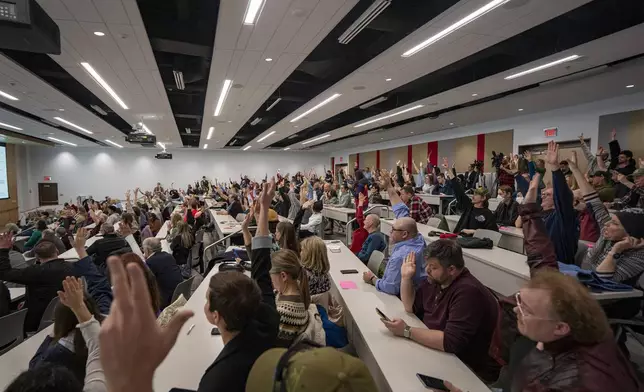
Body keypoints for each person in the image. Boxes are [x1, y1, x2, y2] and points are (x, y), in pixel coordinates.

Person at [198, 179, 281, 392]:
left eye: (207, 300)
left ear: (216, 316)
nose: (205, 304)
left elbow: (261, 265)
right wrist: (264, 207)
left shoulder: (218, 379)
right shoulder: (265, 318)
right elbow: (262, 261)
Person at [382, 241, 500, 382]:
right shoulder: (436, 280)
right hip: (440, 352)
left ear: (451, 269)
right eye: (427, 265)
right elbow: (410, 306)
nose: (427, 270)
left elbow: (450, 342)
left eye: (433, 267)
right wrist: (406, 278)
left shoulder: (468, 292)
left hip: (468, 369)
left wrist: (407, 331)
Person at [5, 277, 105, 392]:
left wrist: (52, 335)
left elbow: (34, 368)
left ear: (60, 321)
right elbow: (97, 343)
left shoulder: (58, 352)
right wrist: (79, 306)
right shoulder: (107, 342)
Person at [566, 153, 644, 284]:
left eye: (614, 224)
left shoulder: (639, 254)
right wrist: (575, 170)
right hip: (583, 285)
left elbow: (602, 280)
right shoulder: (607, 229)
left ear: (630, 231)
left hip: (610, 301)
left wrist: (616, 250)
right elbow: (593, 200)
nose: (606, 225)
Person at [362, 171, 425, 296]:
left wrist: (372, 279)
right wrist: (389, 187)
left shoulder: (400, 257)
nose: (390, 232)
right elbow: (401, 210)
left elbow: (390, 287)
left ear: (404, 234)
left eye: (393, 230)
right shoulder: (417, 238)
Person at [516, 141, 579, 264]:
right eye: (543, 194)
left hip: (559, 268)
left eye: (548, 194)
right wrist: (517, 176)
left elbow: (563, 196)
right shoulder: (540, 215)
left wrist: (555, 167)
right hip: (539, 264)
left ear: (556, 199)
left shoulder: (563, 217)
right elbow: (528, 197)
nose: (543, 195)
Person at [0, 236, 79, 332]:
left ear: (37, 257)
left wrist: (3, 250)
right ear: (57, 251)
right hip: (65, 315)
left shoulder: (36, 272)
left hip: (35, 321)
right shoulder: (72, 266)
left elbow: (4, 273)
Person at [29, 293, 103, 382]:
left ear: (60, 321)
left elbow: (33, 370)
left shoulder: (60, 351)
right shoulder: (103, 336)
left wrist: (51, 336)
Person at [447, 161, 497, 234]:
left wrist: (473, 231)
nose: (473, 196)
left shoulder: (488, 214)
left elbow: (492, 233)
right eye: (473, 193)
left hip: (474, 242)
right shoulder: (469, 206)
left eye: (476, 194)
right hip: (460, 238)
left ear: (483, 198)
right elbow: (458, 190)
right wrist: (448, 170)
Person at [142, 237, 183, 309]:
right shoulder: (168, 255)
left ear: (147, 250)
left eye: (143, 249)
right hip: (180, 292)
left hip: (166, 299)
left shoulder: (150, 263)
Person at [351, 193, 386, 264]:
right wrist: (360, 203)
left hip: (358, 259)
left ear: (370, 223)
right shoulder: (367, 231)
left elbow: (366, 256)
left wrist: (356, 255)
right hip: (356, 256)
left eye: (366, 220)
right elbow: (359, 217)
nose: (363, 221)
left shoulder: (371, 235)